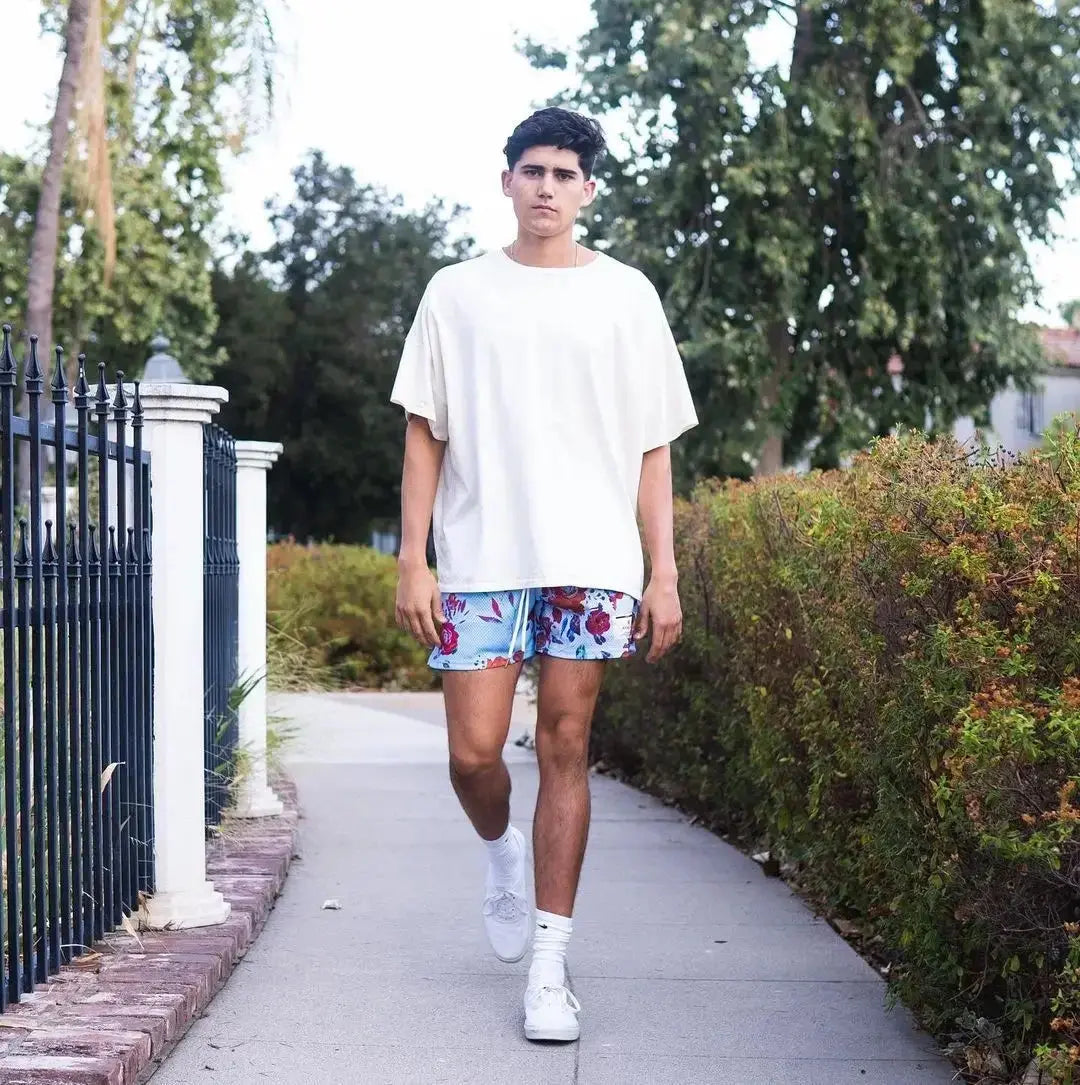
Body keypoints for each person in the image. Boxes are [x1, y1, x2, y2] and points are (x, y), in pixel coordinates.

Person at [390, 107, 697, 1044]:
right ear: (507, 182)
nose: (548, 187)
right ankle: (501, 852)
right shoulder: (455, 292)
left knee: (566, 744)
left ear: (588, 189)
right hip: (481, 558)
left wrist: (663, 570)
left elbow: (653, 445)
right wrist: (412, 558)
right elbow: (424, 431)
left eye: (565, 174)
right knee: (473, 754)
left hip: (592, 560)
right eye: (533, 171)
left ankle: (550, 970)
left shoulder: (628, 296)